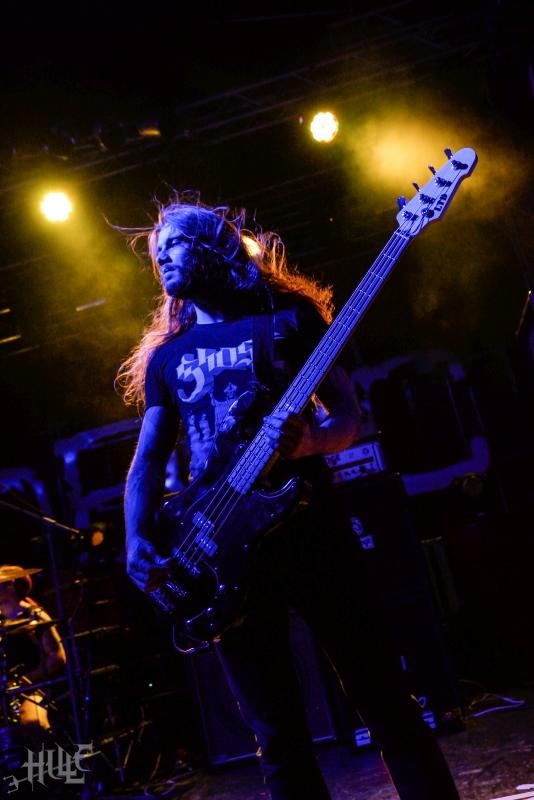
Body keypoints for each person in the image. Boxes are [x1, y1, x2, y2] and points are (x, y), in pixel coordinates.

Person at [116, 192, 461, 800]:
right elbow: (147, 459)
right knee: (276, 737)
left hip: (310, 531)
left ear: (216, 249)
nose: (162, 259)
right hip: (220, 549)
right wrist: (136, 538)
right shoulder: (168, 358)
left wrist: (309, 443)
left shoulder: (291, 320)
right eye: (156, 254)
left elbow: (348, 416)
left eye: (175, 245)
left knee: (385, 702)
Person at [0, 565, 67, 748]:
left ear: (13, 586)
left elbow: (58, 657)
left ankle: (54, 762)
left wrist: (24, 680)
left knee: (32, 722)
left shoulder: (34, 615)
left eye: (3, 585)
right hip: (9, 687)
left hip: (38, 685)